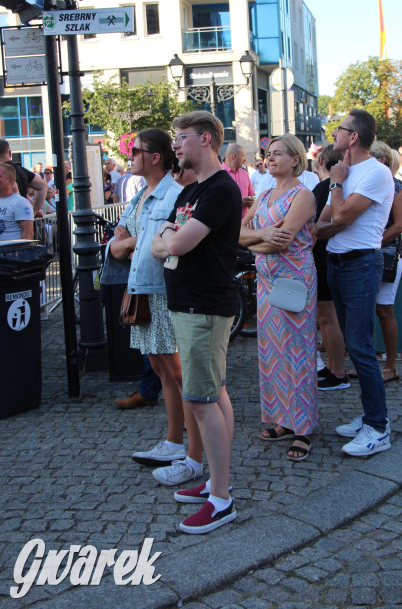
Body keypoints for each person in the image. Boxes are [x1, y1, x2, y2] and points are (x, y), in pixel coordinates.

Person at [151, 111, 241, 535]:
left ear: (205, 139)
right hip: (190, 305)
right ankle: (215, 484)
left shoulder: (220, 189)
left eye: (182, 137)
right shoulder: (195, 189)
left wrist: (170, 238)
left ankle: (221, 499)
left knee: (203, 400)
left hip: (203, 307)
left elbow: (177, 242)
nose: (176, 146)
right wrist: (169, 239)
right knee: (213, 394)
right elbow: (160, 240)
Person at [102, 128, 203, 484]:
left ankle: (192, 450)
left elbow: (168, 244)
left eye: (136, 151)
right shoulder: (141, 196)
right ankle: (175, 440)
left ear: (155, 157)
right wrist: (131, 243)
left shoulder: (175, 194)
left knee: (177, 372)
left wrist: (131, 243)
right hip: (143, 288)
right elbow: (115, 246)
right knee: (162, 370)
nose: (130, 157)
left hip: (164, 290)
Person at [315, 109, 394, 457]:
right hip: (337, 261)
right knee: (353, 343)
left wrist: (335, 185)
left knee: (361, 347)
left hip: (361, 264)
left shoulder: (375, 172)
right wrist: (335, 214)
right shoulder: (345, 169)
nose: (334, 133)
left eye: (340, 129)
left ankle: (378, 426)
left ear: (354, 137)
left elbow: (343, 215)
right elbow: (325, 223)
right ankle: (370, 416)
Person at [240, 134, 318, 461]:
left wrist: (255, 242)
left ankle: (303, 428)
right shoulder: (265, 193)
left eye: (277, 154)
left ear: (295, 159)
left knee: (297, 350)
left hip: (293, 280)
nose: (269, 159)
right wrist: (260, 236)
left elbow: (282, 242)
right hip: (266, 282)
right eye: (268, 154)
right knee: (271, 351)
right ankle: (281, 419)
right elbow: (239, 234)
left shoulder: (303, 196)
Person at [311, 144, 349, 391]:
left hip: (323, 255)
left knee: (328, 316)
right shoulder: (327, 187)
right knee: (325, 317)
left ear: (321, 160)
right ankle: (333, 367)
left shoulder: (325, 187)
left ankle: (338, 371)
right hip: (326, 254)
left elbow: (317, 225)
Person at [370, 142, 402, 383]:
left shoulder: (396, 186)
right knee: (367, 310)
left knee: (384, 309)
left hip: (388, 253)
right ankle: (372, 364)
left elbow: (400, 224)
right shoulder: (367, 183)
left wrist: (373, 242)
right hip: (369, 252)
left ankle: (391, 365)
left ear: (382, 160)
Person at [0, 139, 47, 215]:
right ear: (10, 153)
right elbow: (43, 185)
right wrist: (33, 212)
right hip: (22, 219)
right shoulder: (21, 170)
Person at [0, 163, 34, 240]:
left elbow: (28, 233)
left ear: (10, 180)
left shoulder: (20, 203)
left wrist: (19, 251)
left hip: (11, 250)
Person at [222, 142, 255, 218]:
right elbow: (214, 203)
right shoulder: (218, 174)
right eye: (243, 156)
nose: (245, 159)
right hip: (226, 225)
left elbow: (251, 196)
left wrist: (251, 203)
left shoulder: (245, 174)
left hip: (245, 225)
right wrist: (237, 202)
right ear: (234, 156)